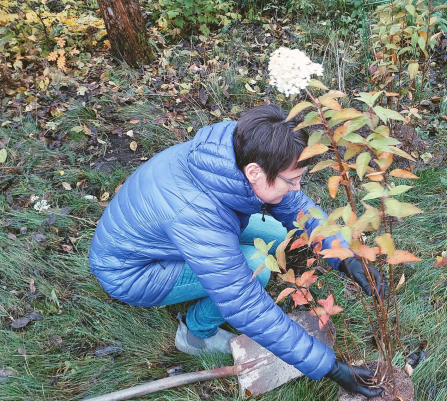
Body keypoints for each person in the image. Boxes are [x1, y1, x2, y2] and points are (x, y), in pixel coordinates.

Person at [89, 104, 384, 398]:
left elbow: (295, 207)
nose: (297, 188)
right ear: (255, 172)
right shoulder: (198, 214)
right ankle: (194, 334)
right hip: (133, 271)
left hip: (162, 238)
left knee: (275, 233)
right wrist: (328, 366)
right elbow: (242, 303)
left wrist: (345, 257)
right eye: (292, 180)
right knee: (257, 267)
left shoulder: (239, 149)